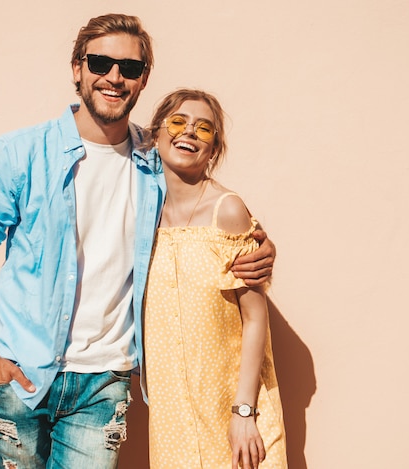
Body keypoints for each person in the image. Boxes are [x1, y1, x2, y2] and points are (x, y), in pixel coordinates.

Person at [0, 14, 276, 469]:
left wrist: (259, 246)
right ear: (77, 69)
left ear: (143, 82)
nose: (114, 77)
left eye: (130, 68)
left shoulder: (153, 158)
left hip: (104, 382)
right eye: (100, 62)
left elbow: (204, 206)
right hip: (21, 374)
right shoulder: (21, 153)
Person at [142, 89, 287, 469]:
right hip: (173, 417)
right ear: (155, 133)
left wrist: (243, 412)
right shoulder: (142, 217)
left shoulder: (228, 211)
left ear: (214, 148)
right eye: (178, 122)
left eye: (203, 129)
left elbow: (255, 317)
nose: (188, 133)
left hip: (232, 412)